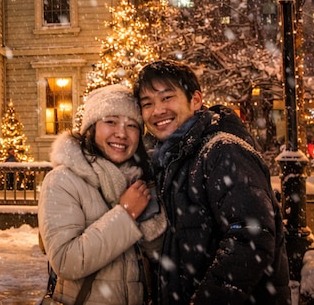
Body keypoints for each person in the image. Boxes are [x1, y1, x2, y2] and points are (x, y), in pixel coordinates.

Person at [134, 60, 291, 303]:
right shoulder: (174, 159)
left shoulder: (221, 150)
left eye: (167, 98)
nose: (157, 111)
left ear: (196, 100)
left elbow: (251, 236)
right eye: (148, 104)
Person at [37, 84, 166, 305]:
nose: (121, 133)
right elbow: (66, 261)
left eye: (132, 125)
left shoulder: (143, 183)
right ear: (92, 127)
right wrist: (125, 214)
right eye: (111, 121)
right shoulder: (63, 180)